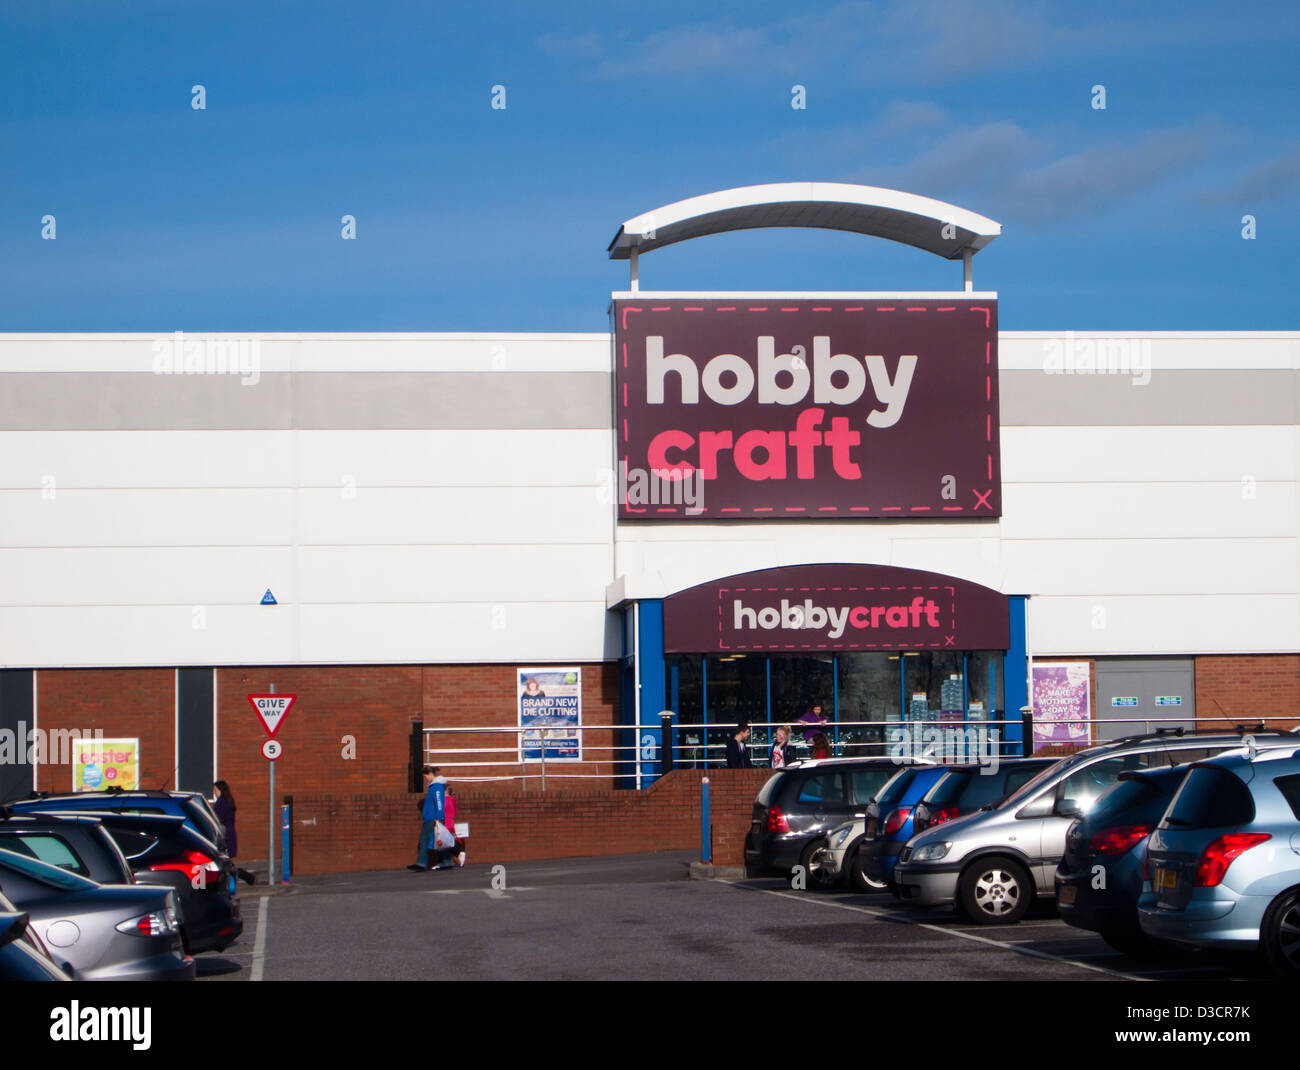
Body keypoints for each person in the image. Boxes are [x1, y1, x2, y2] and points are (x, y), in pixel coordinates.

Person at [211, 780, 256, 885]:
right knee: (227, 863)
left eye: (215, 790)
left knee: (226, 864)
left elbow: (217, 820)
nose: (214, 793)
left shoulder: (221, 803)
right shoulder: (228, 801)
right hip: (230, 834)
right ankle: (246, 878)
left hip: (224, 836)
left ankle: (244, 877)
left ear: (221, 790)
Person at [407, 765, 447, 871]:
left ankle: (421, 863)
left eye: (425, 776)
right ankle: (446, 861)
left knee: (425, 840)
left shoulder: (436, 786)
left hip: (432, 818)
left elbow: (439, 803)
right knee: (439, 840)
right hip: (432, 818)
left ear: (430, 774)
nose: (425, 779)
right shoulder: (435, 786)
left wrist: (437, 818)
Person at [439, 783, 467, 869]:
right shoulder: (452, 800)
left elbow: (440, 811)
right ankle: (458, 855)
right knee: (448, 844)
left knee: (445, 845)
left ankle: (456, 859)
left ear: (445, 791)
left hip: (445, 824)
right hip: (450, 823)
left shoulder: (445, 800)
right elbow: (455, 812)